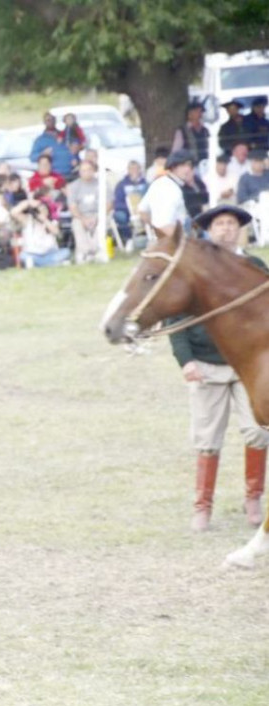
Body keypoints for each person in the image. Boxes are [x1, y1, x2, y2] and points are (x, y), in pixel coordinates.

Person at [166, 205, 269, 531]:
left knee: (257, 432)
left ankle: (253, 499)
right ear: (209, 231)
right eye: (219, 224)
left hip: (247, 366)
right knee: (207, 436)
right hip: (205, 364)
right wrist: (186, 361)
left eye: (231, 223)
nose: (225, 229)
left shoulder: (254, 267)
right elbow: (175, 318)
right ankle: (202, 506)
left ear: (240, 229)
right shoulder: (195, 272)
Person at [138, 149, 195, 233]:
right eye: (183, 165)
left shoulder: (159, 182)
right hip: (174, 240)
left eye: (190, 166)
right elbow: (165, 226)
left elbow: (142, 210)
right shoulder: (170, 189)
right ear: (173, 167)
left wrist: (155, 230)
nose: (188, 169)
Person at [10, 188, 70, 267]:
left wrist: (45, 220)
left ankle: (42, 264)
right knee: (23, 256)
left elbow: (57, 232)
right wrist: (28, 202)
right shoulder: (28, 220)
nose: (42, 211)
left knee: (66, 252)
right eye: (39, 209)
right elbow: (13, 212)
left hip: (50, 253)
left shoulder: (52, 221)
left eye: (44, 209)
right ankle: (51, 264)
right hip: (33, 253)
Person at [66, 160, 103, 263]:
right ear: (80, 172)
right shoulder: (73, 186)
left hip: (99, 214)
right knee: (77, 224)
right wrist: (83, 219)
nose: (86, 173)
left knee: (101, 224)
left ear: (94, 170)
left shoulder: (101, 184)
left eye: (89, 170)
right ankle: (86, 252)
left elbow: (109, 203)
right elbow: (72, 206)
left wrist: (97, 217)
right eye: (83, 170)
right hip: (81, 215)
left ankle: (96, 250)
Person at [111, 160, 147, 242]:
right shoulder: (121, 185)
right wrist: (130, 208)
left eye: (136, 168)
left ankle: (145, 236)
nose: (134, 171)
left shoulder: (145, 183)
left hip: (143, 210)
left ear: (140, 169)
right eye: (131, 169)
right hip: (126, 210)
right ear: (128, 170)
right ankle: (128, 239)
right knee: (120, 216)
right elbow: (117, 203)